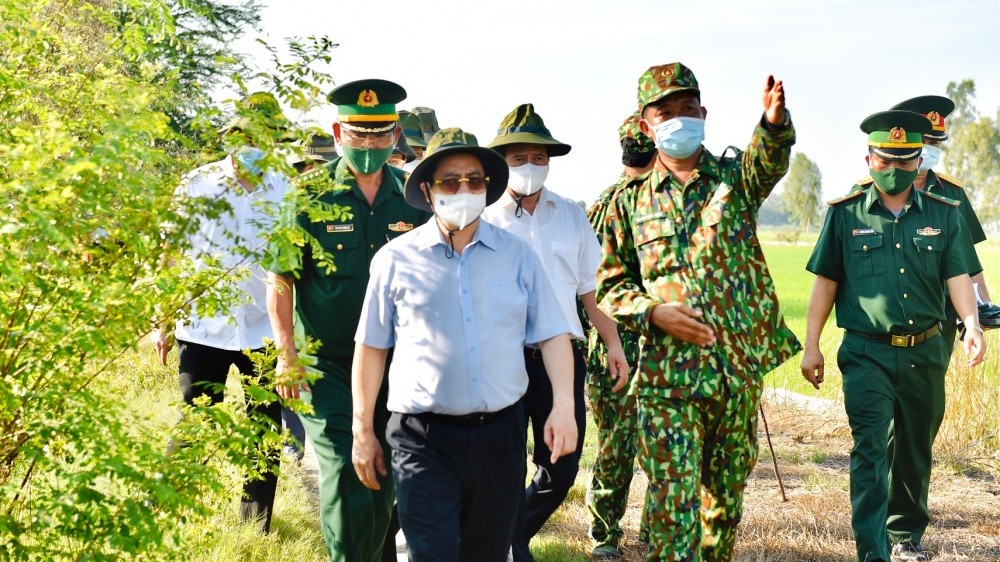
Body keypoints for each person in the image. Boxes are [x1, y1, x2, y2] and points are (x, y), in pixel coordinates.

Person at [596, 62, 801, 561]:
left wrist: (773, 125)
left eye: (687, 109)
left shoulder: (734, 180)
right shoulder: (628, 202)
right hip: (667, 380)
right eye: (665, 112)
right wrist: (652, 313)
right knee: (674, 510)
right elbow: (609, 284)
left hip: (734, 374)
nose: (678, 119)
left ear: (704, 114)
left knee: (723, 508)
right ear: (646, 126)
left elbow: (768, 162)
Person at [351, 128, 578, 562]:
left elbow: (553, 333)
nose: (464, 190)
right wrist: (362, 429)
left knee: (486, 554)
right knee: (431, 553)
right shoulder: (395, 260)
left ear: (487, 187)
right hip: (422, 439)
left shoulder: (517, 256)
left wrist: (563, 406)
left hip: (499, 436)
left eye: (474, 180)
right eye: (450, 181)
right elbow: (371, 348)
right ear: (427, 190)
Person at [800, 110, 986, 562]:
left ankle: (904, 534)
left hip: (925, 351)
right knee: (870, 448)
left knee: (915, 447)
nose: (894, 169)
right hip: (867, 353)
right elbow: (825, 283)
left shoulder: (944, 213)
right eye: (885, 160)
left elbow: (957, 275)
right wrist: (811, 346)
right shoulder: (845, 214)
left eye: (904, 162)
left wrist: (972, 323)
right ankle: (873, 551)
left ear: (918, 161)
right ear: (869, 159)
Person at [266, 79, 432, 562]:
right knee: (344, 465)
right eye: (358, 134)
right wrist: (286, 355)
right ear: (338, 133)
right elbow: (281, 278)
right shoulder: (307, 195)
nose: (368, 145)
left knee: (385, 469)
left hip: (396, 362)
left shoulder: (414, 197)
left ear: (396, 135)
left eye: (379, 135)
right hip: (327, 364)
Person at [481, 103, 628, 562]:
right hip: (502, 359)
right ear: (502, 161)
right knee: (502, 467)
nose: (530, 165)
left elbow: (591, 290)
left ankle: (510, 538)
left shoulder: (570, 215)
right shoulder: (483, 217)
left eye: (538, 157)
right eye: (519, 157)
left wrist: (613, 342)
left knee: (561, 468)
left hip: (560, 360)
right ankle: (509, 550)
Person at [151, 91, 290, 533]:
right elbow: (171, 253)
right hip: (203, 326)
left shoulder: (287, 188)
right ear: (231, 135)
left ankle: (255, 526)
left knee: (264, 431)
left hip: (263, 328)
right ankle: (166, 514)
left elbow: (292, 266)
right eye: (246, 136)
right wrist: (161, 321)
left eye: (263, 138)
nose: (253, 145)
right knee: (196, 419)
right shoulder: (197, 183)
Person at [585, 111, 656, 559]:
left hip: (609, 344)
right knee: (664, 442)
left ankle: (605, 535)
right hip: (650, 340)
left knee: (614, 442)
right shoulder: (662, 201)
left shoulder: (600, 203)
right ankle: (655, 530)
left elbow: (584, 284)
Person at [281, 131, 338, 462]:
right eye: (307, 166)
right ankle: (292, 447)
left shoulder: (339, 205)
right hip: (279, 312)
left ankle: (298, 448)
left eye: (320, 165)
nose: (313, 172)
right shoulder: (286, 201)